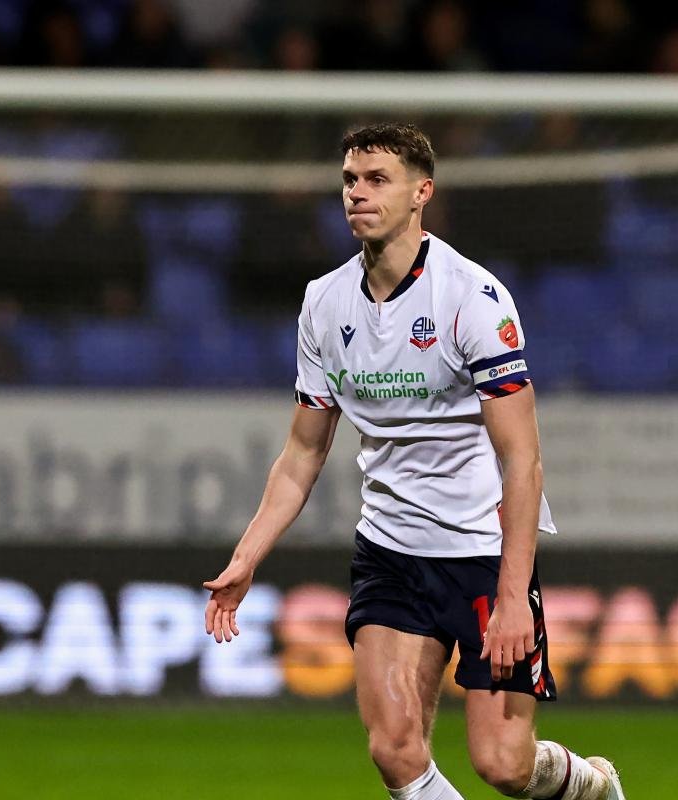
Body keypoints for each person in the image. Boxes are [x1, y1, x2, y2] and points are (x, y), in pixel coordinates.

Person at [202, 123, 625, 800]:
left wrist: (514, 598)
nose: (356, 194)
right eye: (348, 180)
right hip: (392, 552)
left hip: (484, 551)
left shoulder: (471, 299)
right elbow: (303, 452)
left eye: (377, 180)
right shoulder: (323, 303)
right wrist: (247, 556)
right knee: (394, 750)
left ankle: (591, 786)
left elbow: (523, 462)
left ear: (421, 192)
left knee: (504, 766)